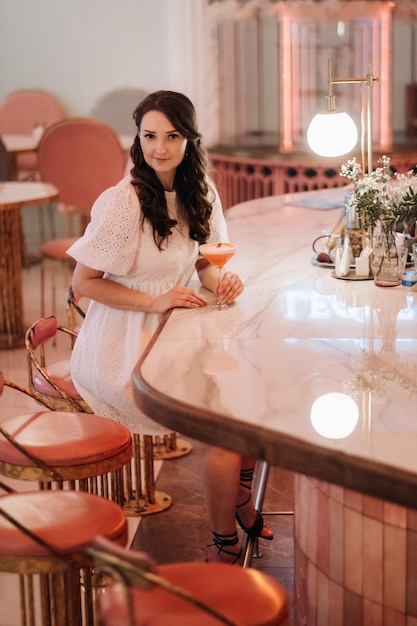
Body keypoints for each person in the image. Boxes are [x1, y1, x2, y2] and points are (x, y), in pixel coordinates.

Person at [67, 90, 272, 564]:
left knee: (257, 394)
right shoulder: (124, 202)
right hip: (123, 345)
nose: (159, 147)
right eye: (149, 136)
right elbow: (84, 282)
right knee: (226, 426)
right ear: (138, 140)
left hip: (177, 332)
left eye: (172, 136)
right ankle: (225, 536)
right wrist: (154, 300)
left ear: (189, 139)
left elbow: (204, 263)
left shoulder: (200, 189)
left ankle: (239, 497)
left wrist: (223, 281)